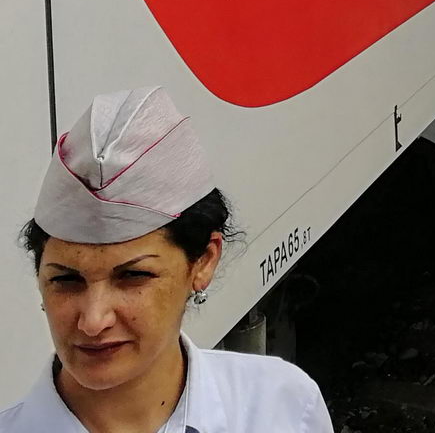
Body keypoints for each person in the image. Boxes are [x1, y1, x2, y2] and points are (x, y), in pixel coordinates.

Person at [4, 88, 332, 431]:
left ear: (203, 261)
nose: (93, 321)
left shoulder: (284, 408)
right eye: (66, 279)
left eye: (133, 276)